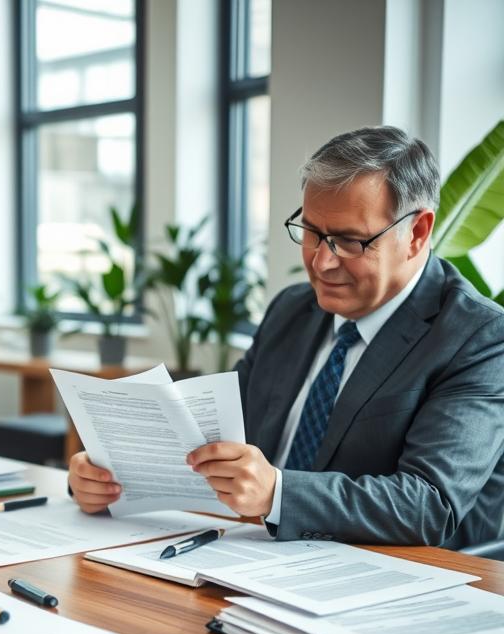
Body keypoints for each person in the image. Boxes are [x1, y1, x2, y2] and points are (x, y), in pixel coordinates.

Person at [69, 125, 504, 548]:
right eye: (312, 232)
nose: (321, 263)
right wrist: (111, 474)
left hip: (401, 583)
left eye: (350, 241)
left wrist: (277, 493)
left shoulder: (478, 337)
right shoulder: (292, 310)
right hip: (254, 553)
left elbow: (429, 507)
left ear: (418, 232)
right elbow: (210, 439)